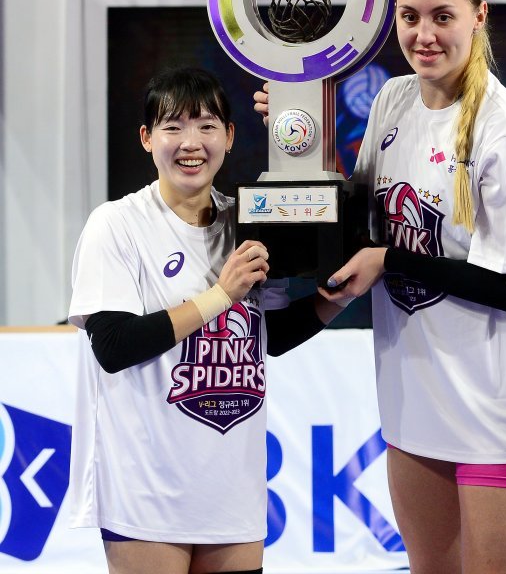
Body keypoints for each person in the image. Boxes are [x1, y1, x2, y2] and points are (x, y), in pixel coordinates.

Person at [254, 0, 506, 574]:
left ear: (479, 15)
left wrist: (391, 260)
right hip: (413, 408)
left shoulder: (505, 131)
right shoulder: (393, 101)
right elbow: (362, 226)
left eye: (443, 16)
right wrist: (303, 146)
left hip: (499, 415)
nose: (424, 35)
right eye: (410, 16)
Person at [69, 66, 345, 574]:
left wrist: (337, 300)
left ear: (230, 136)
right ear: (147, 138)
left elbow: (269, 337)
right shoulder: (117, 224)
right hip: (147, 488)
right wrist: (221, 295)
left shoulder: (250, 220)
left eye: (207, 126)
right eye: (173, 127)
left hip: (233, 489)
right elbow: (113, 346)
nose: (191, 143)